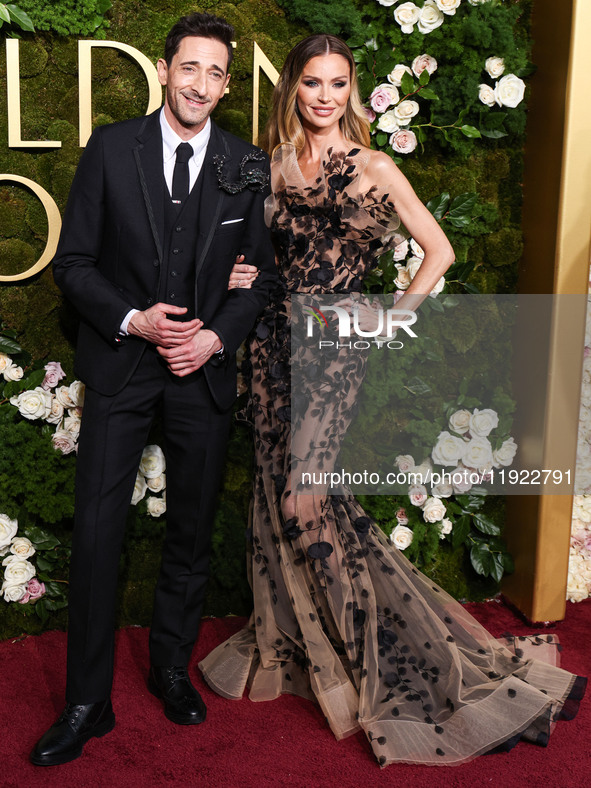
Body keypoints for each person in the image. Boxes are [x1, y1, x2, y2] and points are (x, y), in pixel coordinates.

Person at [199, 34, 586, 766]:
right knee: (289, 495)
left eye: (336, 84)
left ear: (352, 90)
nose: (323, 96)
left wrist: (389, 318)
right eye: (311, 83)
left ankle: (382, 650)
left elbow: (437, 249)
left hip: (336, 347)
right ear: (293, 88)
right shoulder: (273, 164)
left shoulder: (375, 166)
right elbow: (253, 249)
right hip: (273, 346)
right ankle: (315, 645)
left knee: (303, 501)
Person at [30, 12, 277, 767]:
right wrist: (135, 320)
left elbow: (258, 275)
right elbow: (72, 265)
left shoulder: (247, 163)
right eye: (189, 67)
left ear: (226, 85)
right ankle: (86, 701)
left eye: (215, 72)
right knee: (101, 536)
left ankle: (171, 667)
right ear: (165, 70)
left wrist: (212, 336)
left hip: (200, 374)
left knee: (190, 533)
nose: (200, 83)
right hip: (121, 368)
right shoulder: (110, 150)